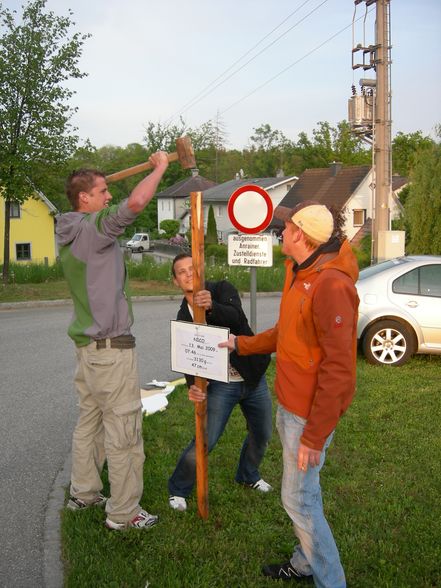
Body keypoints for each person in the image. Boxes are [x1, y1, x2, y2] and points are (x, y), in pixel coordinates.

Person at [220, 201, 359, 587]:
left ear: (302, 235)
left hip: (308, 417)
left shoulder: (331, 284)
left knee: (299, 500)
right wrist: (240, 344)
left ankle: (331, 581)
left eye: (287, 228)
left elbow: (340, 369)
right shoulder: (301, 272)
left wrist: (314, 436)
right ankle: (303, 563)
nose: (281, 233)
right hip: (292, 406)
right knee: (304, 495)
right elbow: (287, 333)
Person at [56, 152, 169, 530]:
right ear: (83, 199)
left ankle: (84, 493)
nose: (108, 197)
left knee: (90, 421)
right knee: (123, 429)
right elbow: (135, 204)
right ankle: (124, 513)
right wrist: (160, 168)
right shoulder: (90, 230)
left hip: (88, 351)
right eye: (102, 192)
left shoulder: (70, 232)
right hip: (110, 349)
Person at [168, 253, 273, 512]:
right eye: (181, 272)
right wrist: (193, 385)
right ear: (175, 282)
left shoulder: (222, 288)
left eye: (192, 268)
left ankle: (248, 475)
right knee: (207, 438)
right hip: (222, 385)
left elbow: (237, 319)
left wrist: (212, 305)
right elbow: (189, 355)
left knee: (262, 432)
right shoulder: (183, 316)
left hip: (251, 377)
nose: (188, 274)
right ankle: (178, 489)